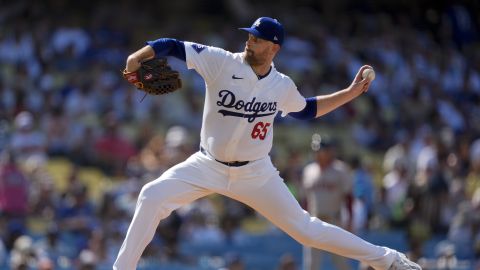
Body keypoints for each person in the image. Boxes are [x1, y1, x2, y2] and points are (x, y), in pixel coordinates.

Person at [114, 17, 421, 270]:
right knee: (151, 195)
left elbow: (308, 110)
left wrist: (351, 93)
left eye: (257, 39)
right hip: (207, 164)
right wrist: (137, 58)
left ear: (274, 48)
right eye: (249, 37)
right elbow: (172, 46)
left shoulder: (281, 85)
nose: (249, 42)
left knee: (306, 231)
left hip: (255, 174)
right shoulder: (220, 62)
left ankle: (387, 261)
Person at [302, 135, 353, 270]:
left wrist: (350, 219)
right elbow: (305, 199)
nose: (319, 153)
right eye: (317, 150)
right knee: (311, 264)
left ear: (330, 151)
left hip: (334, 220)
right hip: (314, 220)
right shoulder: (309, 170)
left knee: (341, 261)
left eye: (322, 150)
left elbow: (348, 197)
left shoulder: (340, 169)